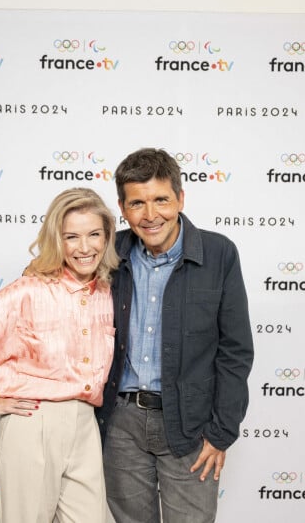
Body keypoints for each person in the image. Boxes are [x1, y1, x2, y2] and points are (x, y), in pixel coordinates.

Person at [0, 187, 119, 523]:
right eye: (71, 237)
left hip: (86, 425)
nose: (85, 247)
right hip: (33, 423)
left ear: (107, 237)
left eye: (94, 234)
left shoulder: (107, 291)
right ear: (56, 240)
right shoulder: (29, 290)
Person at [96, 148, 254, 523]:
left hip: (191, 425)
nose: (150, 215)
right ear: (122, 207)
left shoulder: (219, 253)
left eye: (161, 200)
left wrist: (221, 433)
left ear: (181, 199)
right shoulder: (108, 252)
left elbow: (236, 351)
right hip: (120, 424)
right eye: (137, 203)